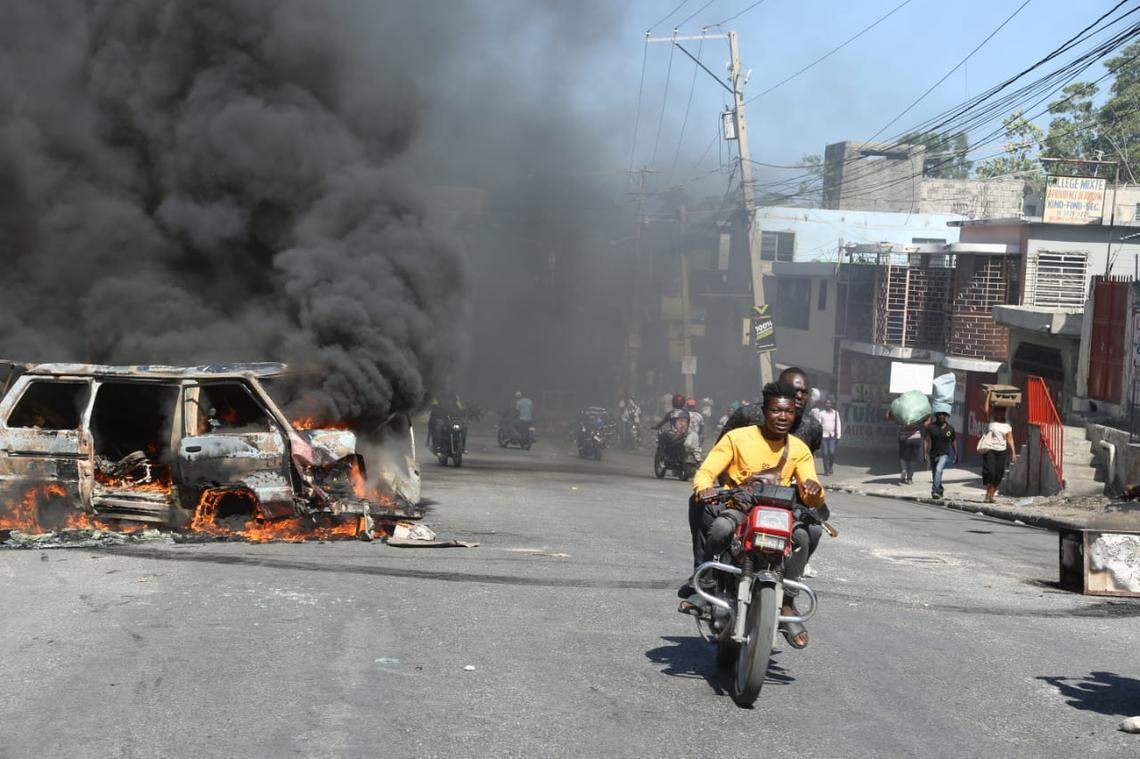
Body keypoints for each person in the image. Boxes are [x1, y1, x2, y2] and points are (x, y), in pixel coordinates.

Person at [684, 380, 825, 649]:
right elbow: (707, 471)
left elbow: (812, 494)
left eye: (789, 412)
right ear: (764, 411)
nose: (782, 417)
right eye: (776, 410)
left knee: (809, 535)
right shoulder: (737, 438)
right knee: (720, 529)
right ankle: (707, 584)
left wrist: (814, 490)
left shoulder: (799, 449)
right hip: (741, 506)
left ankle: (787, 601)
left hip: (778, 513)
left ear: (795, 414)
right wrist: (704, 488)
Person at [979, 406, 1016, 503]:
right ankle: (987, 494)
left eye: (1002, 412)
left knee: (999, 475)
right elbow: (986, 411)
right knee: (990, 472)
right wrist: (988, 397)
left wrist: (1013, 452)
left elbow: (1010, 438)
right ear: (995, 412)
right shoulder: (991, 421)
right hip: (990, 449)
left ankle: (991, 495)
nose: (1000, 414)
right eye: (998, 411)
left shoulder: (1007, 424)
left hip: (1002, 451)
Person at [924, 411, 957, 499]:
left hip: (944, 454)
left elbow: (953, 441)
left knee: (939, 470)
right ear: (936, 416)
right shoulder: (931, 427)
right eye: (940, 415)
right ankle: (940, 490)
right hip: (933, 454)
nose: (942, 416)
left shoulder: (950, 428)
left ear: (946, 416)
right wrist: (925, 452)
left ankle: (934, 490)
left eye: (944, 415)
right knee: (935, 475)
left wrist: (955, 453)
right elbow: (926, 440)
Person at [888, 408, 926, 485]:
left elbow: (888, 417)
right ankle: (909, 478)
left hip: (904, 438)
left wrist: (892, 409)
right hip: (915, 438)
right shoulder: (918, 412)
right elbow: (925, 423)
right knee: (913, 459)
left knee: (903, 457)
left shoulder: (901, 412)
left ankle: (904, 469)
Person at [817, 398, 842, 475]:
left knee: (831, 452)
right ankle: (826, 470)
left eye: (829, 403)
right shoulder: (821, 413)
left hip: (832, 436)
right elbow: (818, 425)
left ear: (831, 404)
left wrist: (838, 435)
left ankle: (830, 467)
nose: (828, 405)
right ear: (825, 404)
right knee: (825, 453)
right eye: (827, 403)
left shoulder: (835, 413)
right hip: (824, 436)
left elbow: (838, 424)